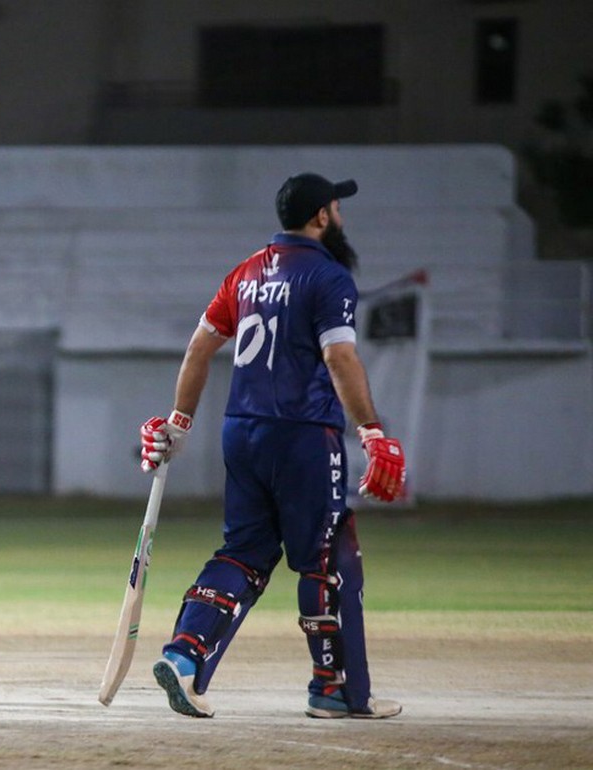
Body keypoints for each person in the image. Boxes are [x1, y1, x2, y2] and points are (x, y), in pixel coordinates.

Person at [138, 173, 407, 720]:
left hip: (242, 431)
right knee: (327, 557)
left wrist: (179, 424)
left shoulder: (245, 273)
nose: (340, 216)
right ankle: (335, 690)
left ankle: (185, 657)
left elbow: (199, 349)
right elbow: (339, 357)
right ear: (322, 216)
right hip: (304, 432)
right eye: (337, 207)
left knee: (244, 552)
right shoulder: (329, 277)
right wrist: (372, 432)